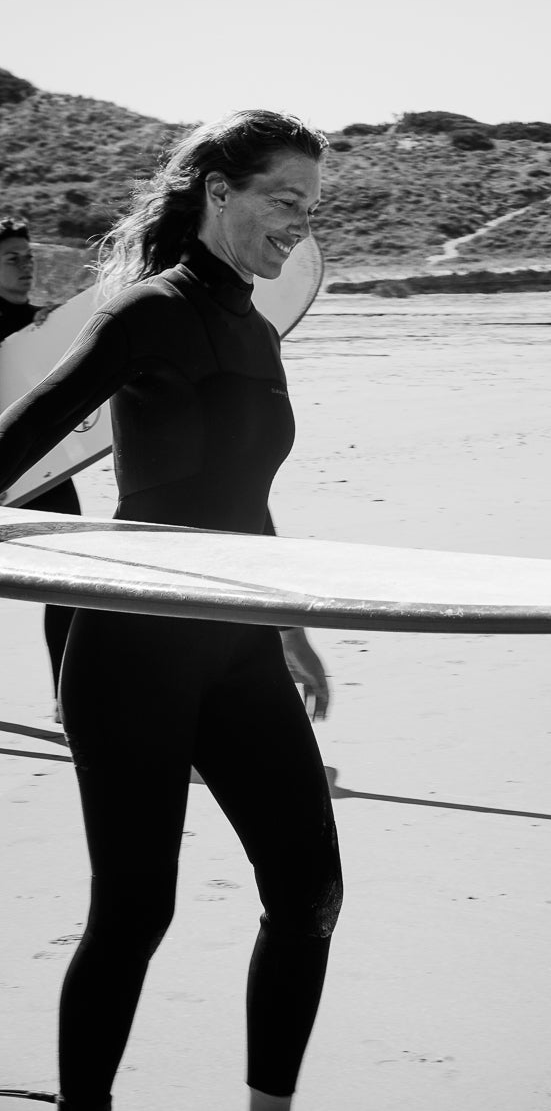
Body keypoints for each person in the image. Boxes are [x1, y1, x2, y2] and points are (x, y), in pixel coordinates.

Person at [0, 112, 342, 1111]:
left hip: (236, 644)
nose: (299, 225)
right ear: (218, 192)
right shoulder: (143, 314)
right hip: (131, 650)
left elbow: (245, 496)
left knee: (309, 894)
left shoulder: (255, 325)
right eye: (285, 200)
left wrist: (289, 625)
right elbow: (14, 454)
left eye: (312, 209)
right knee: (136, 912)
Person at [0, 215, 81, 715]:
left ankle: (66, 695)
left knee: (68, 581)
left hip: (43, 469)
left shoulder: (44, 325)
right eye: (12, 259)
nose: (25, 267)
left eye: (28, 258)